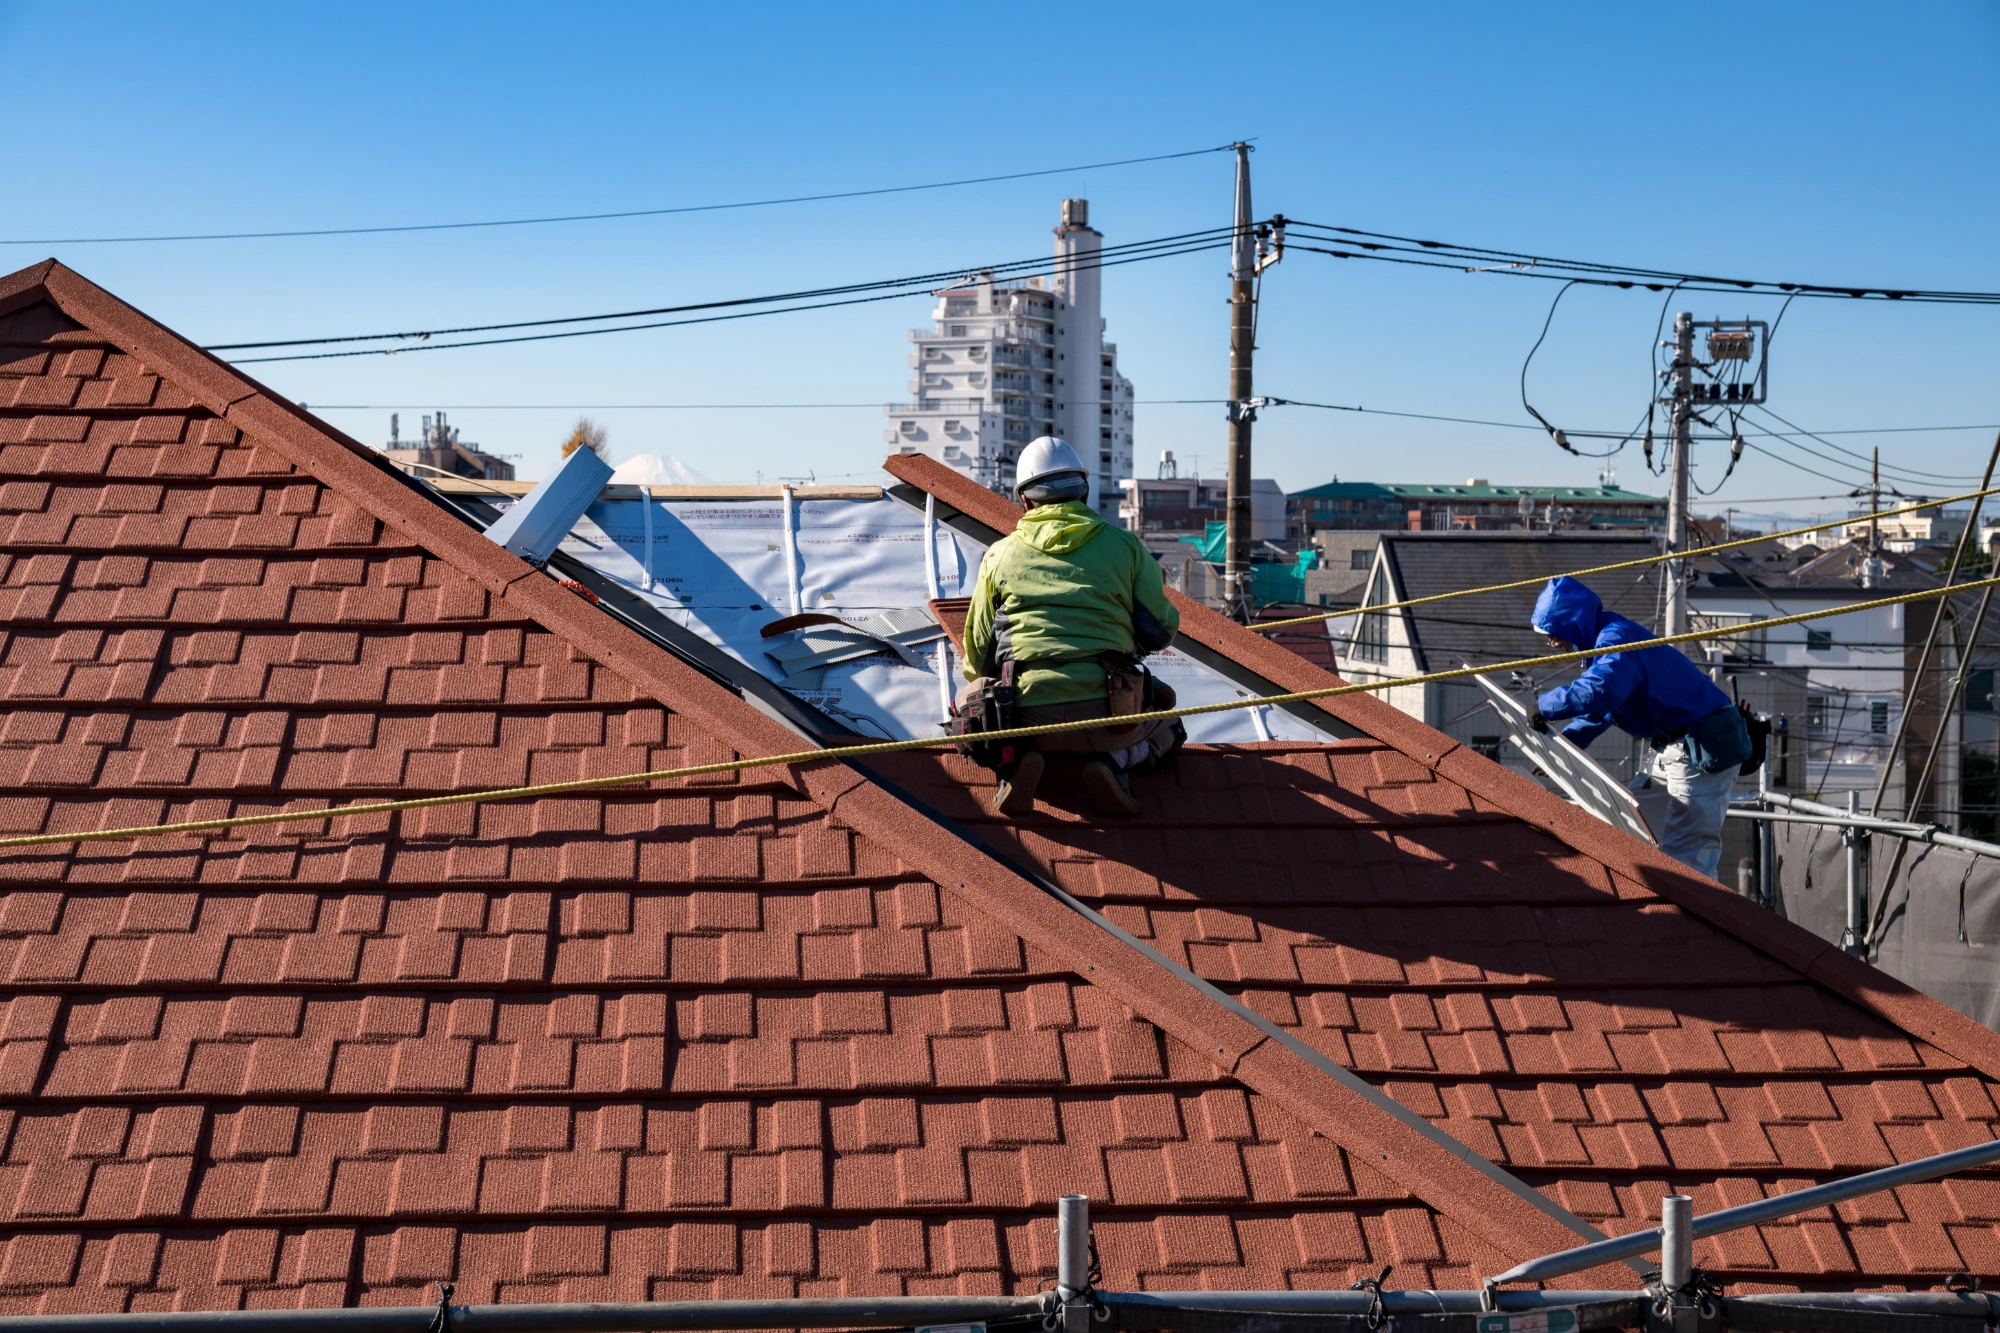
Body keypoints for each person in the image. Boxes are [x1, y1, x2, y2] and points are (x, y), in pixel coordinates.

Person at [960, 436, 1183, 817]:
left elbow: (978, 655)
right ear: (1085, 492)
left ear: (1025, 501)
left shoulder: (1000, 555)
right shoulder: (1125, 547)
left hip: (1027, 718)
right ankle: (1116, 762)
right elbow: (1159, 630)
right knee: (1171, 723)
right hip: (1110, 714)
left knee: (971, 704)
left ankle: (1014, 764)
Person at [1529, 575, 1752, 879]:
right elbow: (1605, 707)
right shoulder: (1604, 643)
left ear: (1571, 622)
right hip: (1677, 746)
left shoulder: (1616, 641)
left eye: (1553, 632)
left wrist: (1545, 706)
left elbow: (1601, 691)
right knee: (1629, 824)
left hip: (1701, 746)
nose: (1551, 642)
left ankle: (1690, 921)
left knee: (1687, 856)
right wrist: (1567, 742)